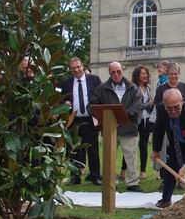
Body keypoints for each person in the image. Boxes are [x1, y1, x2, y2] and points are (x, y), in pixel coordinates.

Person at [91, 62, 143, 192]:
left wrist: (122, 117)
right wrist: (105, 119)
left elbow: (137, 106)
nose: (116, 74)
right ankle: (109, 182)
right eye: (113, 72)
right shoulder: (102, 88)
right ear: (109, 73)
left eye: (118, 71)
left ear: (122, 71)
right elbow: (93, 106)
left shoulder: (132, 87)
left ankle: (132, 183)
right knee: (109, 157)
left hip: (128, 127)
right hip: (110, 129)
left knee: (131, 156)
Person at [60, 57, 103, 185]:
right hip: (73, 120)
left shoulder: (95, 80)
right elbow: (58, 99)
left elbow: (101, 96)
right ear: (70, 70)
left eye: (78, 67)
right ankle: (75, 177)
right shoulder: (66, 83)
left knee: (93, 149)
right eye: (73, 68)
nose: (76, 70)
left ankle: (95, 176)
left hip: (90, 120)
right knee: (73, 149)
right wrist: (64, 102)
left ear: (82, 66)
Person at [133, 65, 154, 180]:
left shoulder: (149, 88)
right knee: (131, 146)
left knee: (143, 145)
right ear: (138, 76)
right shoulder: (134, 88)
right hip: (136, 120)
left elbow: (150, 103)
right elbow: (137, 107)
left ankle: (143, 171)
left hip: (147, 120)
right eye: (143, 74)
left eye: (146, 73)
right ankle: (124, 170)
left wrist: (151, 105)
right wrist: (149, 103)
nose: (145, 75)